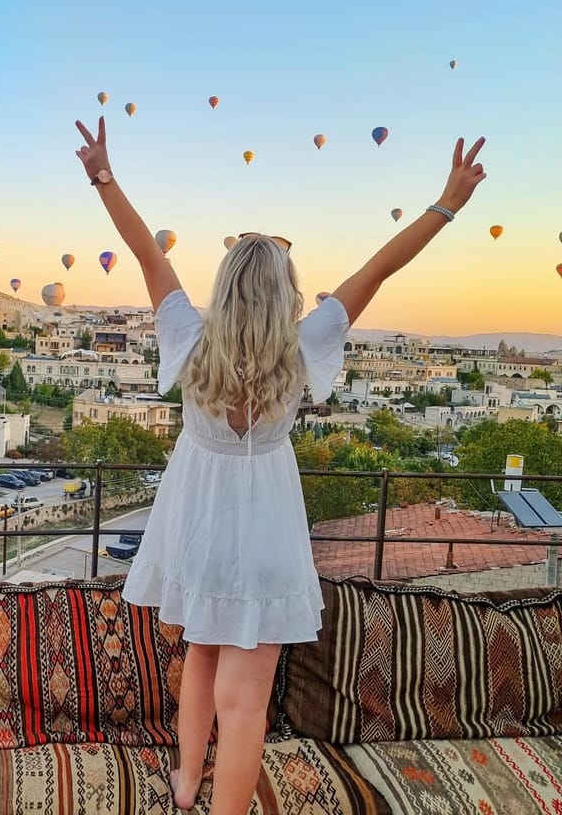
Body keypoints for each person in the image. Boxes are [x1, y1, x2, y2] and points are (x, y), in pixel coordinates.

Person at [74, 117, 486, 814]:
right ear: (284, 290)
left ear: (227, 284)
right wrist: (448, 203)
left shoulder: (187, 333)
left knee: (200, 658)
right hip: (266, 531)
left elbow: (145, 250)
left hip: (197, 526)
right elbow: (379, 267)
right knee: (246, 705)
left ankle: (184, 781)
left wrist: (103, 176)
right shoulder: (306, 342)